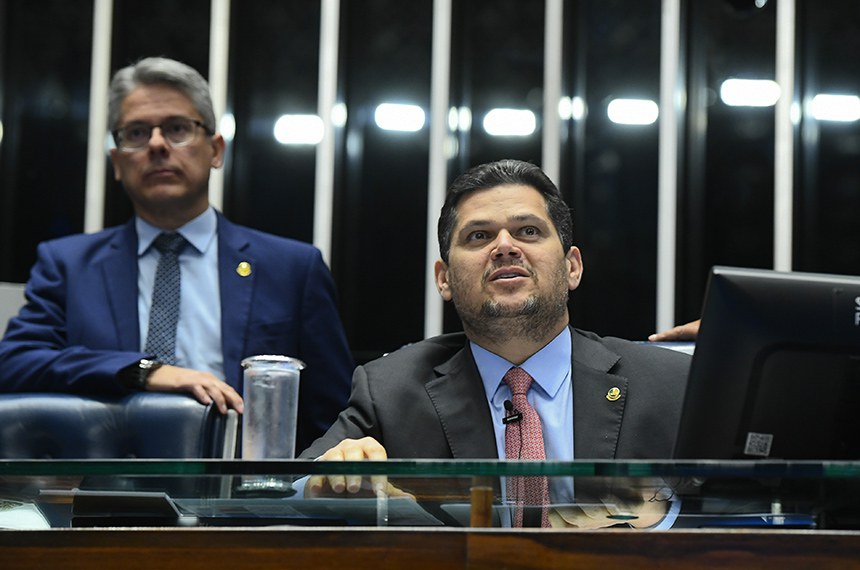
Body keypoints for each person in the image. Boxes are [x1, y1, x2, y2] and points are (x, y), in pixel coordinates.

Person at [300, 159, 691, 519]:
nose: (505, 246)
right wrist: (329, 477)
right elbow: (290, 489)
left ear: (572, 267)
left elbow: (739, 499)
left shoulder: (672, 383)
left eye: (529, 231)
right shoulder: (389, 389)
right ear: (445, 278)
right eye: (479, 236)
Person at [0, 57, 353, 452]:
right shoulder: (68, 265)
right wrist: (145, 373)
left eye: (177, 129)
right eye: (136, 133)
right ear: (117, 163)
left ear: (216, 150)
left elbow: (334, 419)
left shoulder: (290, 269)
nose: (156, 144)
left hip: (245, 502)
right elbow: (14, 363)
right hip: (99, 495)